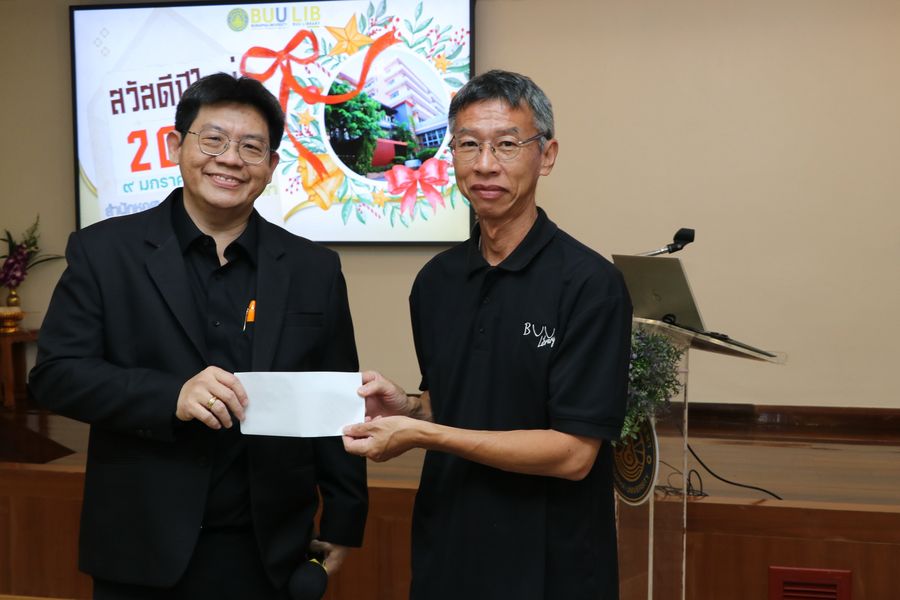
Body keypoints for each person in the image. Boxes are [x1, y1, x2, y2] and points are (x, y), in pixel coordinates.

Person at [30, 73, 367, 600]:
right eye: (213, 140)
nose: (230, 159)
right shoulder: (104, 252)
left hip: (268, 550)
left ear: (271, 165)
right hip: (141, 547)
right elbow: (55, 376)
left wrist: (345, 520)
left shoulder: (313, 269)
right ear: (175, 145)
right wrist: (172, 395)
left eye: (251, 147)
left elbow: (336, 398)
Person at [342, 69, 633, 599]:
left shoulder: (590, 285)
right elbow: (460, 403)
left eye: (506, 144)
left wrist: (426, 436)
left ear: (546, 155)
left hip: (551, 563)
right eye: (468, 144)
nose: (485, 164)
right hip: (449, 549)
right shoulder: (435, 282)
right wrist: (410, 409)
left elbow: (573, 454)